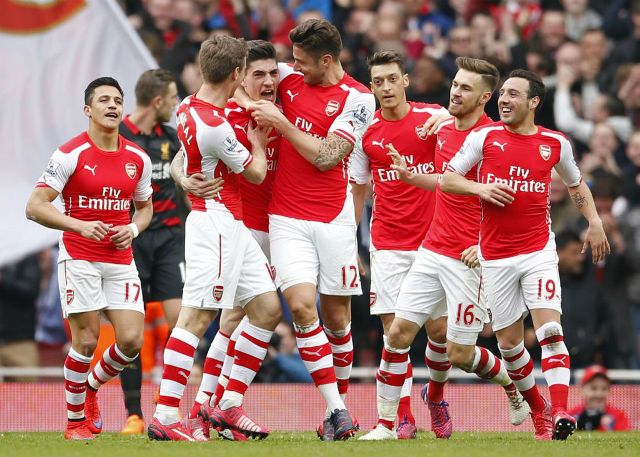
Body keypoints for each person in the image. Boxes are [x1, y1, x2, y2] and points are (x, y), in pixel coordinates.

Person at [359, 56, 529, 441]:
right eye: (454, 84)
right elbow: (437, 179)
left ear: (485, 97)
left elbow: (509, 200)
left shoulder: (487, 137)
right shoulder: (435, 126)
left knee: (454, 348)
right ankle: (391, 423)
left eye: (465, 88)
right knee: (396, 333)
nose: (455, 92)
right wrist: (408, 176)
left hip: (463, 254)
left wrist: (484, 245)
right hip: (417, 247)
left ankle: (496, 386)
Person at [441, 69, 610, 440]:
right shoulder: (485, 137)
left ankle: (561, 410)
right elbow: (448, 178)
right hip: (495, 257)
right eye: (502, 93)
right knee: (509, 345)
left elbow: (576, 184)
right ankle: (539, 409)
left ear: (534, 102)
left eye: (513, 94)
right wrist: (480, 189)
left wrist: (594, 221)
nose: (503, 99)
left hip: (537, 251)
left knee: (550, 330)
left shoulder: (555, 143)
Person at [147, 35, 282, 442]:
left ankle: (227, 404)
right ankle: (166, 414)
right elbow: (255, 173)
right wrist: (257, 143)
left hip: (230, 224)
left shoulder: (188, 106)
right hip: (217, 225)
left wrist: (183, 175)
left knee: (266, 308)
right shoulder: (216, 126)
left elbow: (182, 159)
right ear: (237, 73)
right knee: (196, 317)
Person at [247, 19, 376, 440]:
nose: (292, 67)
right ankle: (339, 410)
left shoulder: (358, 98)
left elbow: (327, 156)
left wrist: (283, 124)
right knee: (303, 308)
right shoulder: (287, 77)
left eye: (301, 61)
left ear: (327, 60)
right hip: (286, 218)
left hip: (335, 218)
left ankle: (334, 414)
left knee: (338, 320)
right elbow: (238, 77)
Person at [25, 77, 153, 440]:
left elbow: (145, 208)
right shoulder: (70, 154)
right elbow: (35, 206)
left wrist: (134, 229)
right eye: (104, 100)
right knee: (85, 341)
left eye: (117, 100)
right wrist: (79, 225)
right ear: (88, 110)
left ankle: (92, 387)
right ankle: (75, 423)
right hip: (79, 256)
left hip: (120, 259)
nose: (112, 106)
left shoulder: (137, 158)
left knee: (131, 342)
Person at [349, 50, 447, 440]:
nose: (386, 87)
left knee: (440, 334)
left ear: (405, 81)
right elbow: (359, 188)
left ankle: (435, 396)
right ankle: (402, 418)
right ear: (372, 87)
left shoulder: (433, 118)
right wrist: (349, 241)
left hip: (435, 242)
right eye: (378, 82)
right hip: (388, 242)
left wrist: (447, 120)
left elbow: (466, 136)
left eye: (392, 79)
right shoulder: (367, 133)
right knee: (394, 333)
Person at [116, 68, 182, 435]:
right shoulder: (118, 138)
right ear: (157, 101)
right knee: (131, 332)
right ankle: (134, 415)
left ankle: (166, 395)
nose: (175, 103)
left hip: (170, 239)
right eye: (172, 98)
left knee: (182, 319)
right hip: (131, 240)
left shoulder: (171, 138)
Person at [569, 365, 631, 431]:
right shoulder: (571, 416)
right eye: (593, 388)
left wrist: (604, 426)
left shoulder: (619, 416)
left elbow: (624, 435)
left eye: (604, 388)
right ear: (582, 389)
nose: (599, 394)